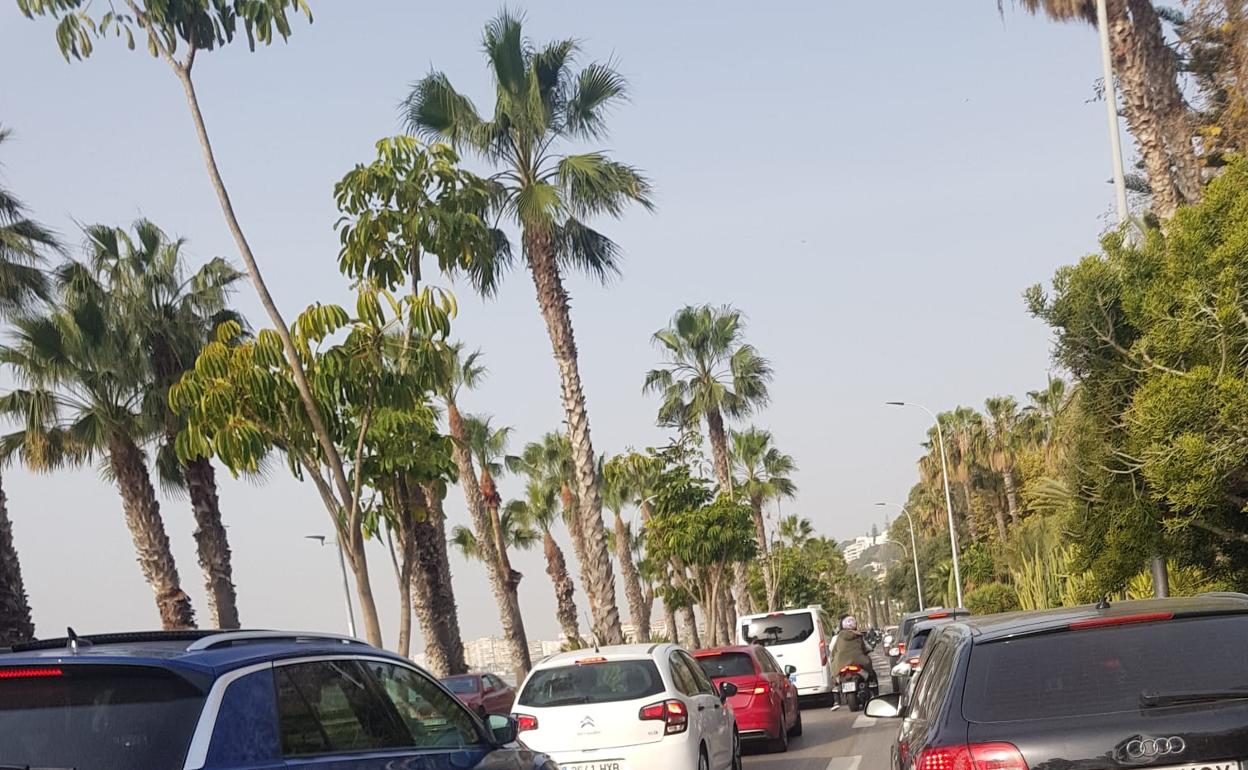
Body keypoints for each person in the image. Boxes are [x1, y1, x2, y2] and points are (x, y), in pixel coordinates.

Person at [829, 615, 877, 710]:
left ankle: (836, 700)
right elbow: (865, 648)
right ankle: (873, 693)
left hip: (841, 664)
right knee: (871, 673)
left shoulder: (837, 637)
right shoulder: (859, 636)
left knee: (834, 677)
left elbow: (833, 650)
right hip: (859, 662)